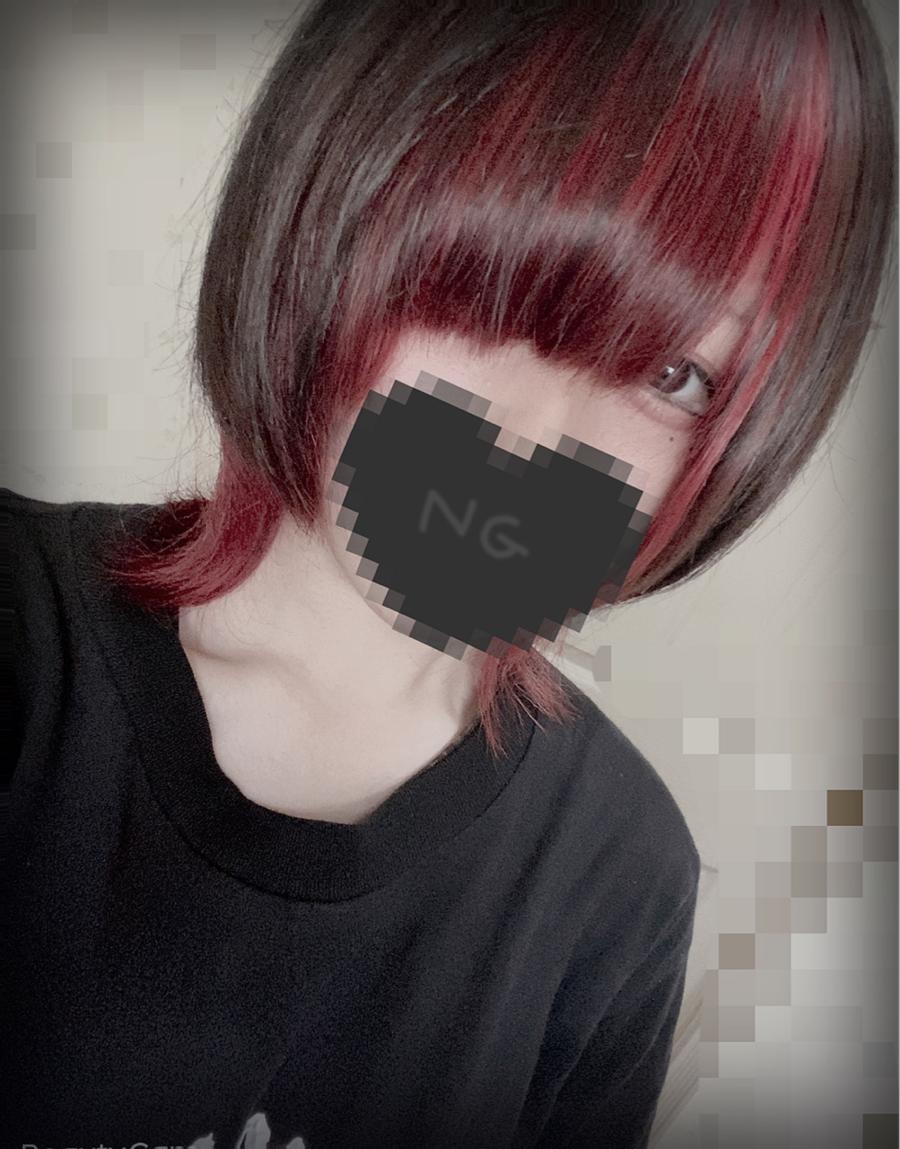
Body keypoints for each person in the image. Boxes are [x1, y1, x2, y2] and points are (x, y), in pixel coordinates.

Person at [1, 1, 895, 1147]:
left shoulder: (620, 880)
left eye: (675, 374)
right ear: (321, 207)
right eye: (479, 291)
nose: (534, 443)